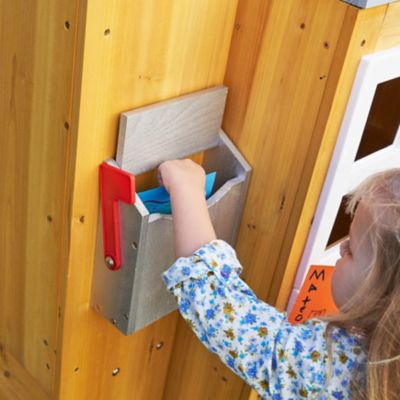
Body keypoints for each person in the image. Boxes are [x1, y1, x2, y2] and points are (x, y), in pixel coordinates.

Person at [158, 159, 400, 399]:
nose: (341, 247)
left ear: (385, 297)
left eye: (352, 250)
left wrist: (186, 188)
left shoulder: (330, 370)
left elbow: (221, 310)